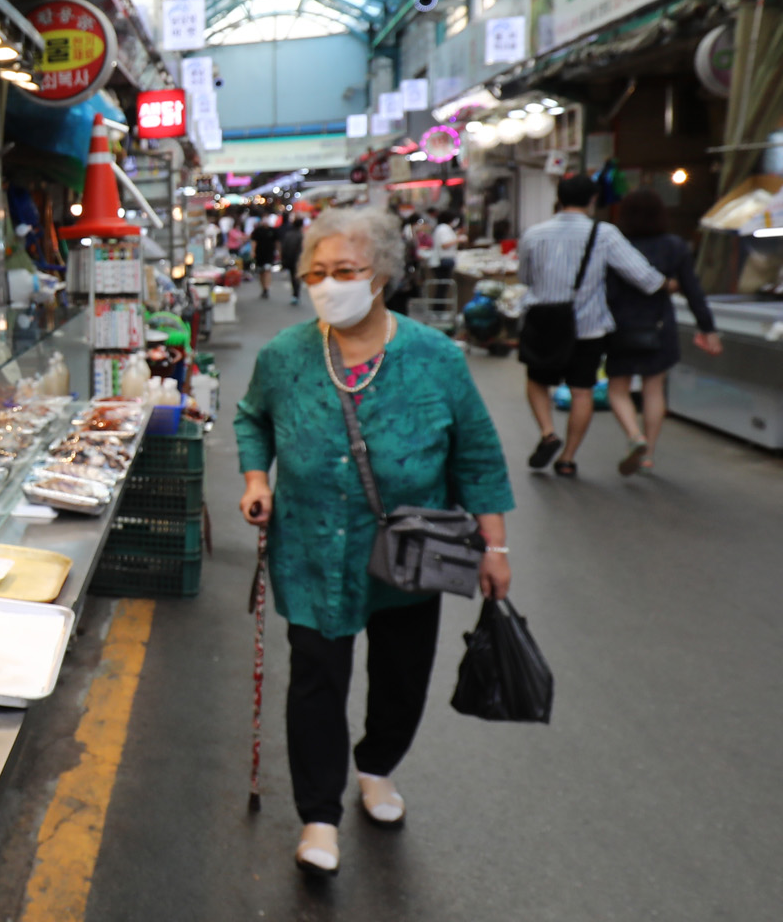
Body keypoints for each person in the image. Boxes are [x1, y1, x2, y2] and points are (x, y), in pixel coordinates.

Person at [236, 207, 513, 876]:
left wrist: (496, 548)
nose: (330, 284)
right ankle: (317, 815)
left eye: (347, 271)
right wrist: (256, 476)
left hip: (410, 550)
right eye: (318, 272)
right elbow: (253, 419)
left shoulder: (435, 357)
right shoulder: (285, 357)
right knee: (316, 680)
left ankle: (378, 766)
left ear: (383, 273)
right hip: (310, 548)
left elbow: (477, 454)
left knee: (401, 674)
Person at [517, 173, 665, 477]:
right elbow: (644, 277)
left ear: (558, 198)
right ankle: (568, 458)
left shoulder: (534, 234)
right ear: (593, 200)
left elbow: (524, 278)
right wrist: (670, 283)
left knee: (537, 381)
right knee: (581, 391)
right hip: (588, 327)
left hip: (543, 322)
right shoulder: (604, 233)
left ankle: (548, 433)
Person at [603, 189, 725, 474]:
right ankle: (649, 454)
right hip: (659, 325)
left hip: (621, 326)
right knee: (654, 388)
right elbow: (694, 292)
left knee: (618, 389)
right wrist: (708, 328)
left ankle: (635, 436)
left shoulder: (617, 245)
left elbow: (606, 291)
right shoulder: (675, 246)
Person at [252, 215, 281, 298]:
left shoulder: (273, 231)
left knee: (267, 271)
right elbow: (254, 242)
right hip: (259, 254)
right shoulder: (258, 231)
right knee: (261, 272)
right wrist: (253, 252)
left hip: (269, 254)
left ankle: (267, 288)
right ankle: (263, 288)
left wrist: (279, 252)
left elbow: (277, 242)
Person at [281, 215, 305, 304]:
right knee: (297, 277)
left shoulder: (288, 234)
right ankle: (296, 294)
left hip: (289, 259)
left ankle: (295, 294)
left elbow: (284, 248)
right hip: (298, 260)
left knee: (293, 277)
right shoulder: (301, 235)